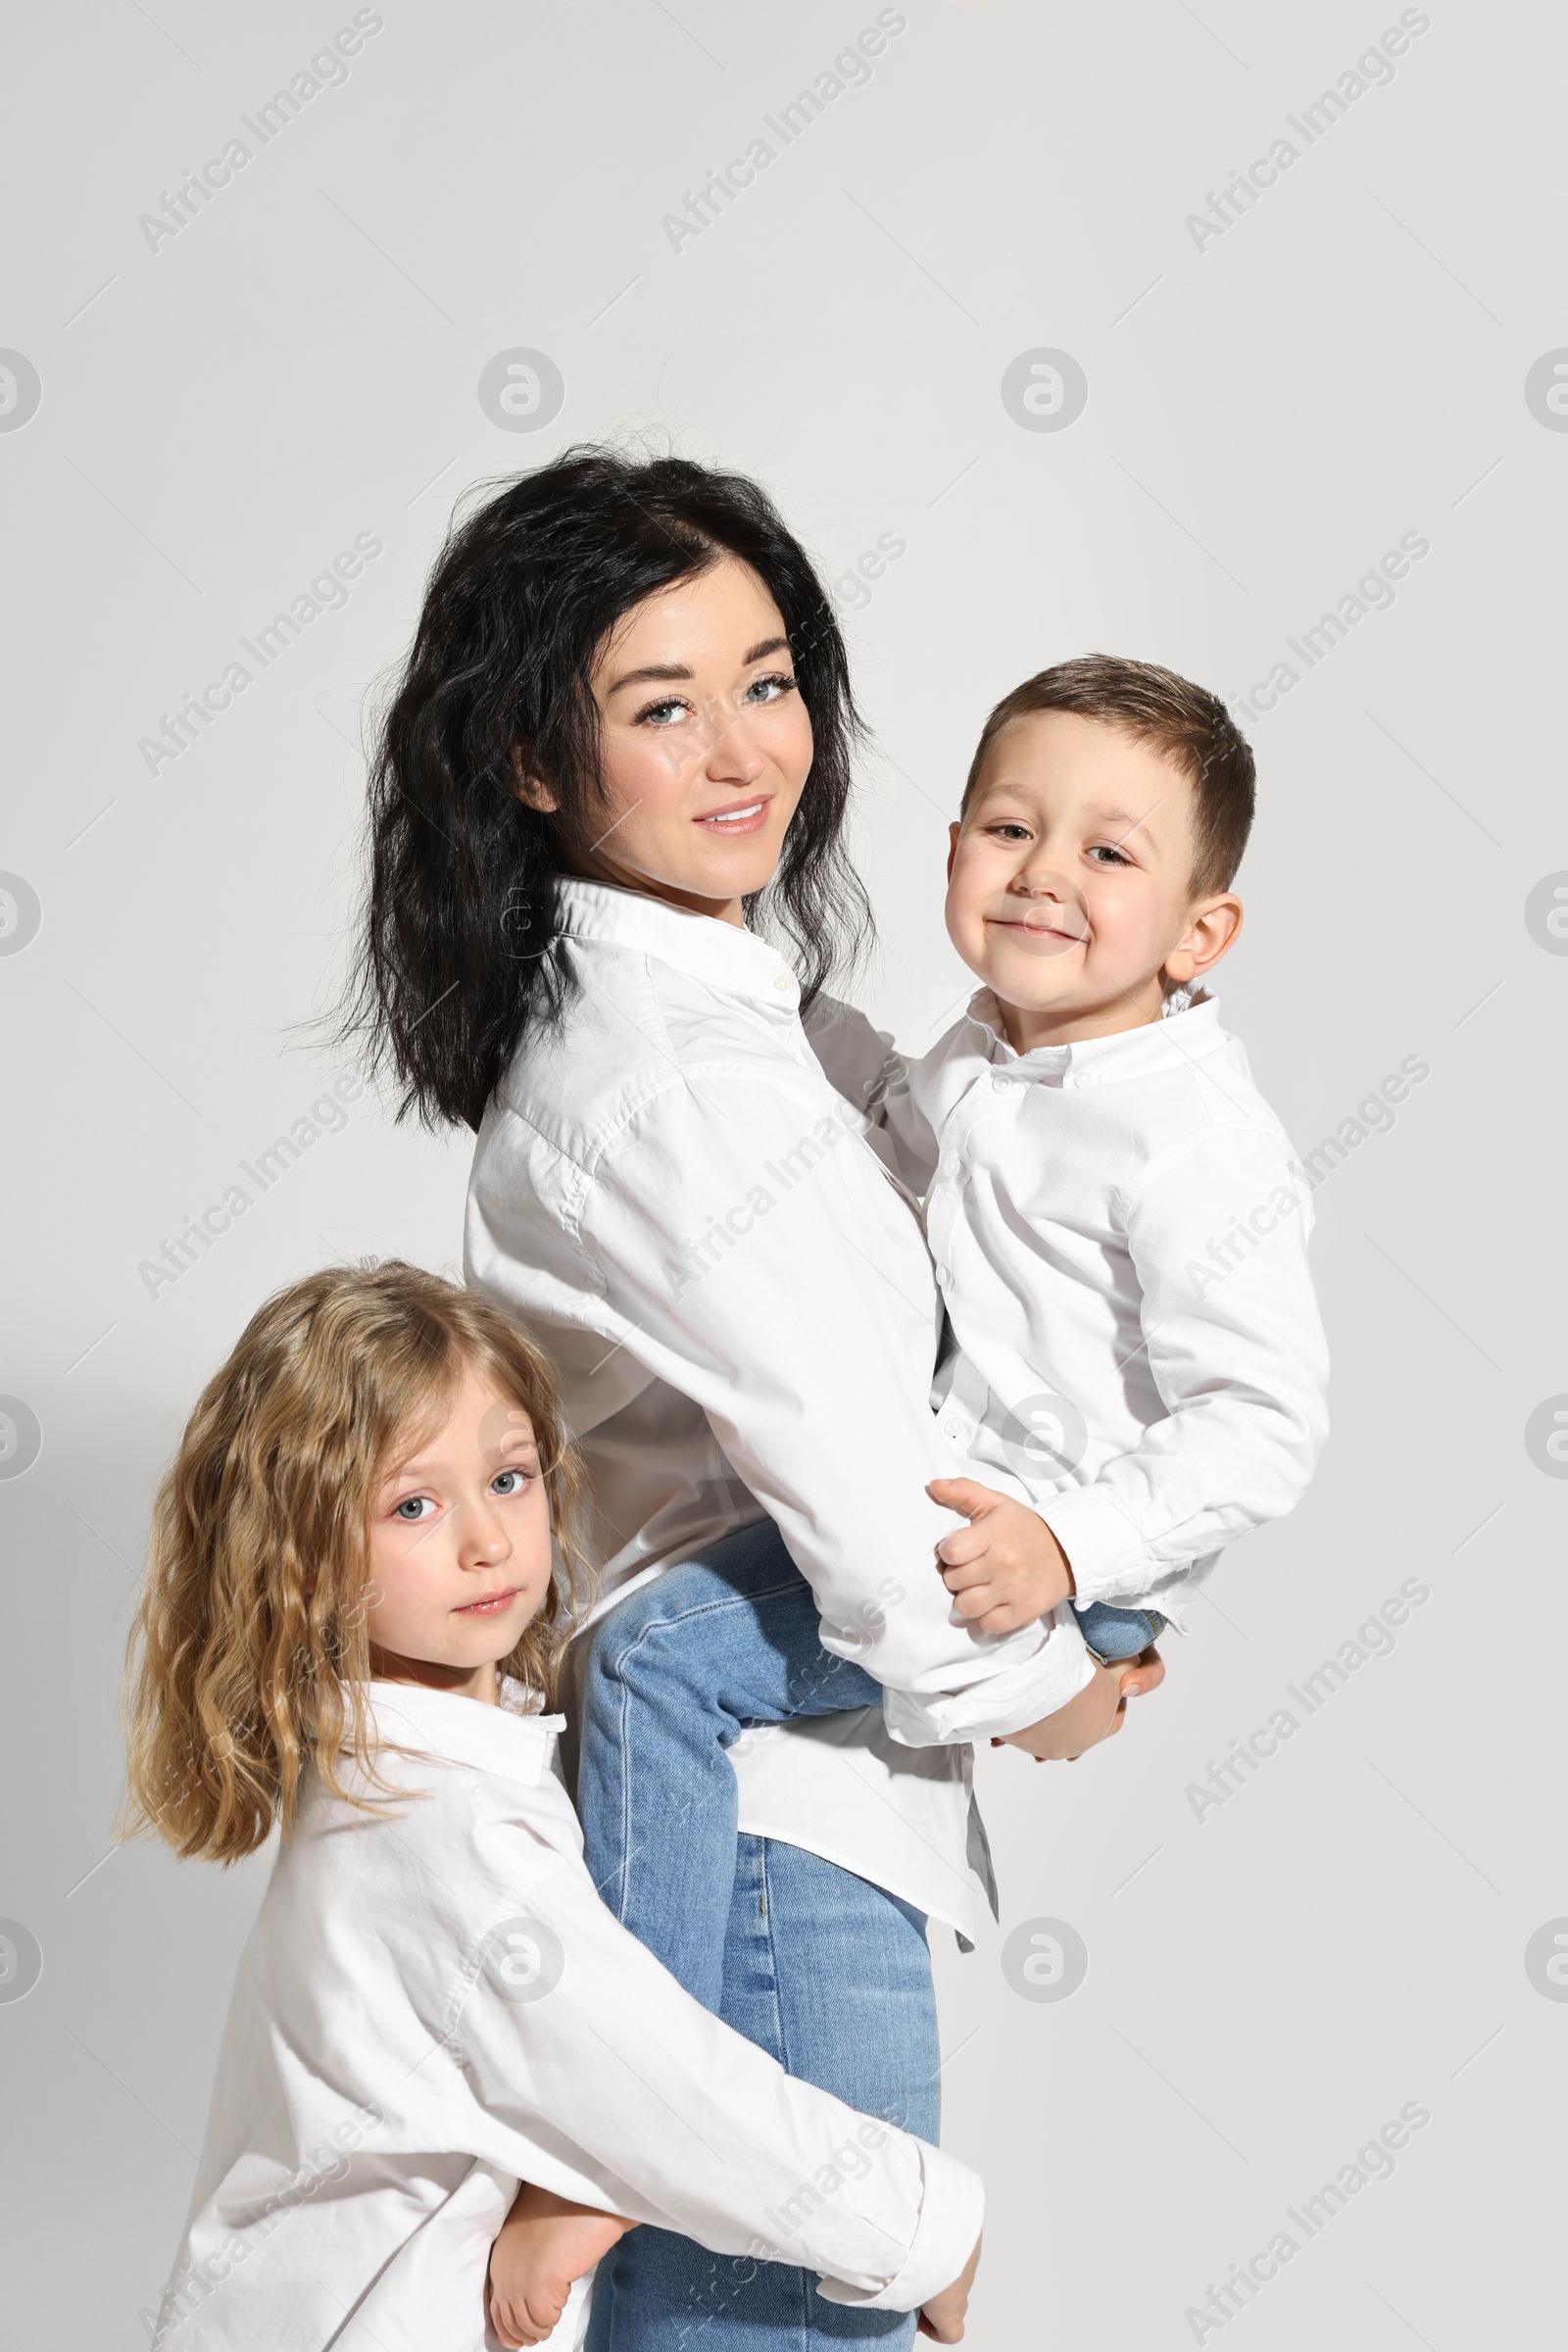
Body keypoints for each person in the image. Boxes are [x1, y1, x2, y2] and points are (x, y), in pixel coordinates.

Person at [351, 447, 1163, 2351]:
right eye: (660, 706)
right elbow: (871, 1519)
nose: (742, 751)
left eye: (768, 681)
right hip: (767, 1849)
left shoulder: (740, 1009)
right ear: (534, 761)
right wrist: (1057, 1691)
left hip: (785, 1825)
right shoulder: (670, 1079)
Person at [124, 1262, 983, 2351]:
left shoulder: (402, 1785)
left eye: (510, 1478)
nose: (485, 1541)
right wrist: (925, 2226)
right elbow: (662, 2088)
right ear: (300, 1561)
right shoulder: (439, 1831)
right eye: (414, 1505)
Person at [870, 655, 1330, 1655]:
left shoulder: (1192, 1138)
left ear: (1197, 935)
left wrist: (1068, 1549)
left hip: (1069, 1550)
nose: (1042, 873)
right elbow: (877, 1138)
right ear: (953, 850)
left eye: (1109, 856)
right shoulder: (978, 1048)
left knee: (660, 1655)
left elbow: (1262, 1421)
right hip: (965, 1489)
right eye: (1009, 831)